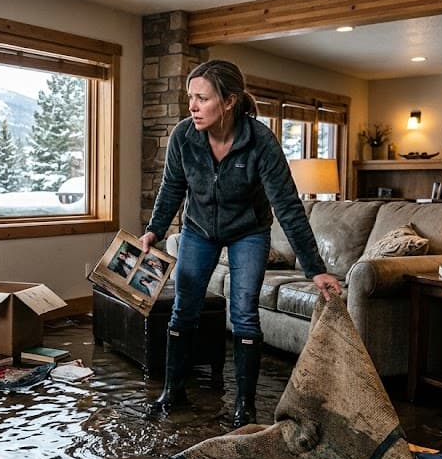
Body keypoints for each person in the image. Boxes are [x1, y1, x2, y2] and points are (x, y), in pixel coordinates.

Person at [139, 59, 342, 426]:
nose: (193, 106)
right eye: (190, 98)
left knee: (245, 311)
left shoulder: (260, 141)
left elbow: (288, 207)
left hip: (249, 231)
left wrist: (315, 269)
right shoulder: (183, 136)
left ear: (229, 101)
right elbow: (172, 187)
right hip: (198, 230)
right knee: (184, 307)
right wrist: (154, 229)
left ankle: (244, 406)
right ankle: (173, 391)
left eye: (202, 98)